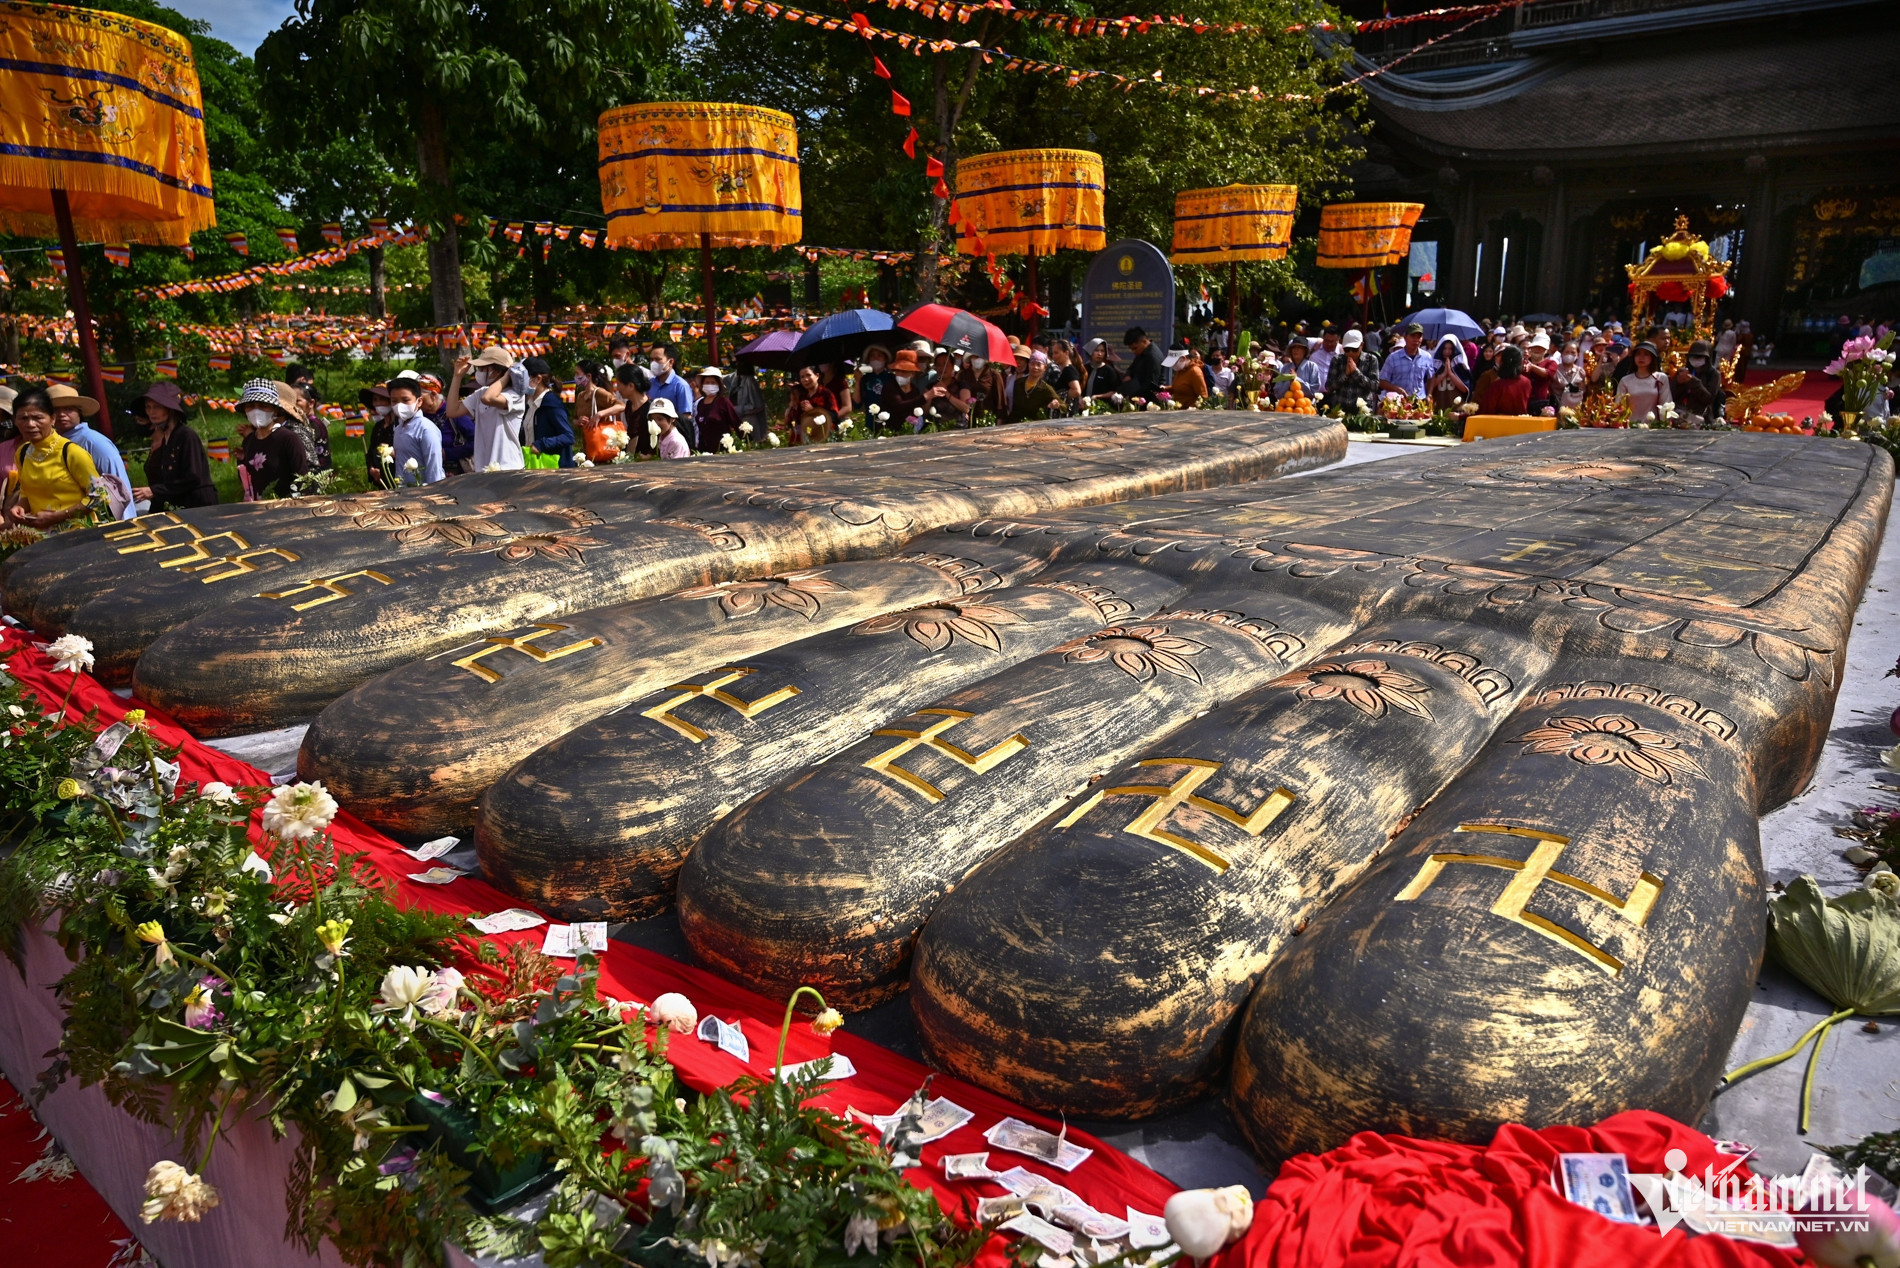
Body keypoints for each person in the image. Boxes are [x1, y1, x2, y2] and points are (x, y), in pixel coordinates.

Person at [3, 387, 101, 528]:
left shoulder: (71, 452)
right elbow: (27, 492)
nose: (30, 424)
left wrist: (59, 516)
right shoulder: (23, 453)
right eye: (23, 418)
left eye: (38, 418)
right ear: (15, 421)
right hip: (42, 540)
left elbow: (100, 497)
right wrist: (20, 506)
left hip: (79, 537)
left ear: (52, 419)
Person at [46, 384, 133, 519]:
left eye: (69, 409)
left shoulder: (94, 442)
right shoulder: (49, 444)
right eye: (55, 410)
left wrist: (126, 523)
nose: (62, 414)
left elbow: (119, 488)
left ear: (79, 412)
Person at [128, 381, 215, 511]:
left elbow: (193, 478)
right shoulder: (167, 439)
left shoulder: (186, 436)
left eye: (157, 407)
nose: (151, 412)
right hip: (179, 508)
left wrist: (154, 491)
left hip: (199, 508)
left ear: (169, 409)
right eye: (148, 407)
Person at [450, 345, 527, 471]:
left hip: (508, 468)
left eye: (482, 368)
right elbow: (452, 411)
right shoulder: (482, 392)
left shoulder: (515, 395)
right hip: (484, 468)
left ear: (496, 371)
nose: (478, 372)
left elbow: (488, 398)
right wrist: (457, 377)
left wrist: (506, 376)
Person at [237, 378, 310, 498]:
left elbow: (303, 480)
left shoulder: (288, 439)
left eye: (263, 405)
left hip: (283, 509)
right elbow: (247, 480)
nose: (256, 410)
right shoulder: (249, 440)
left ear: (275, 410)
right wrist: (241, 459)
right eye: (250, 406)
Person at [387, 374, 445, 484]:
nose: (399, 405)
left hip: (423, 494)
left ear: (419, 401)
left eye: (405, 400)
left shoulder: (426, 429)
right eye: (394, 401)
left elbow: (434, 470)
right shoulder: (399, 428)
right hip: (404, 493)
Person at [571, 359, 627, 464]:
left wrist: (599, 414)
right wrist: (578, 421)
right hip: (587, 448)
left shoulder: (599, 393)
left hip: (604, 446)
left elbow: (621, 406)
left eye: (577, 373)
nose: (575, 377)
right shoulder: (580, 396)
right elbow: (574, 419)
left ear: (588, 376)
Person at [522, 356, 574, 467]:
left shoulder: (552, 404)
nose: (520, 381)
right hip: (533, 465)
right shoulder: (529, 404)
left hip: (555, 469)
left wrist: (542, 444)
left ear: (537, 379)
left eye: (523, 377)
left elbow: (568, 436)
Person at [645, 343, 698, 448]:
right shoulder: (650, 384)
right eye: (651, 360)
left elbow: (685, 418)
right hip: (653, 439)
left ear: (671, 362)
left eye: (658, 359)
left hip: (674, 443)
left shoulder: (681, 385)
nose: (653, 363)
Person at [1669, 339, 1725, 428]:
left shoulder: (1714, 374)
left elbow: (1708, 399)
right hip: (1679, 415)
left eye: (1700, 357)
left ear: (1707, 358)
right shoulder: (1683, 371)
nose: (1695, 360)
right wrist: (1678, 383)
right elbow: (1670, 395)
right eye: (1693, 357)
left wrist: (1693, 382)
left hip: (1700, 418)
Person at [1615, 342, 1672, 425]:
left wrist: (1664, 425)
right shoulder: (1625, 380)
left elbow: (1666, 404)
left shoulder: (1661, 378)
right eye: (1638, 354)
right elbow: (1619, 406)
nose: (1641, 357)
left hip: (1654, 428)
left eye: (1646, 354)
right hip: (1631, 427)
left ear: (1652, 357)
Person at [1377, 323, 1435, 400]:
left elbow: (1431, 377)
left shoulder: (1426, 357)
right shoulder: (1393, 357)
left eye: (1419, 337)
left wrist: (1429, 394)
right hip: (1398, 402)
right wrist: (1396, 389)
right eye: (1413, 336)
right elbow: (1382, 381)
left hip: (1419, 401)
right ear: (1405, 337)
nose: (1416, 340)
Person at [785, 364, 841, 443]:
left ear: (817, 376)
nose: (805, 379)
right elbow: (797, 419)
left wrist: (813, 411)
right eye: (802, 377)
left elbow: (834, 415)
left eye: (808, 375)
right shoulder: (803, 397)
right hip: (807, 437)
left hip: (825, 436)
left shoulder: (826, 394)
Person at [1325, 335, 1378, 412]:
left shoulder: (1371, 360)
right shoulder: (1337, 360)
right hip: (1340, 409)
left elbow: (1374, 386)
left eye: (1354, 349)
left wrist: (1355, 372)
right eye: (1347, 350)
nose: (1350, 353)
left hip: (1362, 412)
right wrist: (1345, 375)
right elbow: (1329, 387)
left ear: (1362, 345)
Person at [693, 366, 742, 451]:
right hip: (704, 450)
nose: (710, 385)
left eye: (713, 383)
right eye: (707, 382)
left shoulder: (723, 402)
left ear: (718, 385)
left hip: (722, 450)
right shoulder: (700, 403)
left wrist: (747, 442)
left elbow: (736, 422)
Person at [1003, 351, 1059, 423]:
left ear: (1044, 367)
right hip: (1014, 423)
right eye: (1032, 364)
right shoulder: (1018, 382)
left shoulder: (1046, 388)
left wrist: (1055, 403)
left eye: (1039, 365)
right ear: (1028, 365)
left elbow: (1062, 405)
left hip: (1034, 425)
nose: (1035, 367)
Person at [1478, 344, 1532, 415]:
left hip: (1499, 423)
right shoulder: (1526, 382)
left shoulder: (1496, 385)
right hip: (1521, 423)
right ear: (1520, 362)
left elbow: (1486, 410)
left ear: (1502, 362)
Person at [884, 348, 930, 430]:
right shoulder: (889, 387)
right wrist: (925, 397)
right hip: (889, 433)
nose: (900, 374)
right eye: (897, 371)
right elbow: (899, 406)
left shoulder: (915, 390)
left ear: (912, 374)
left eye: (904, 371)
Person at [615, 364, 654, 457]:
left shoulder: (651, 409)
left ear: (631, 386)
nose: (617, 388)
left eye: (619, 384)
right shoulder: (629, 406)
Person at [362, 383, 396, 486]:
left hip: (397, 477)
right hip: (380, 479)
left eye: (382, 399)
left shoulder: (399, 425)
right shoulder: (378, 426)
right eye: (375, 400)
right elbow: (371, 451)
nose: (378, 403)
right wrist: (371, 469)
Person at [1122, 327, 1165, 404]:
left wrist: (1132, 397)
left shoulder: (1153, 356)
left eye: (1135, 348)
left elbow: (1151, 384)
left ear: (1144, 341)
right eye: (1131, 349)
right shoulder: (1142, 352)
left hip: (1150, 401)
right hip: (1140, 395)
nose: (1133, 351)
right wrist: (1128, 375)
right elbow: (1132, 367)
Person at [1427, 335, 1469, 411]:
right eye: (1444, 348)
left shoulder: (1459, 366)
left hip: (1456, 409)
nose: (1447, 351)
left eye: (1450, 349)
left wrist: (1450, 373)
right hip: (1438, 407)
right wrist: (1443, 375)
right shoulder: (1435, 366)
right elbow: (1429, 387)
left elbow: (1465, 389)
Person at [855, 345, 896, 423]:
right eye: (872, 355)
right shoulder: (864, 379)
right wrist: (857, 381)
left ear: (885, 359)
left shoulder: (892, 378)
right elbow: (857, 404)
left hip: (889, 421)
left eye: (879, 355)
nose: (875, 358)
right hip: (870, 422)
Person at [724, 362, 768, 432]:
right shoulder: (737, 377)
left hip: (749, 422)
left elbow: (758, 406)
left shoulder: (750, 381)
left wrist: (738, 409)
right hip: (738, 419)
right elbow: (724, 378)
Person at [1521, 333, 1557, 415]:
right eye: (1535, 347)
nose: (1537, 349)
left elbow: (1547, 373)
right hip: (1523, 402)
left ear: (1546, 350)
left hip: (1541, 403)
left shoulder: (1551, 363)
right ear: (1531, 348)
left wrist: (1532, 366)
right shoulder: (1523, 362)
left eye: (1541, 348)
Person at [1048, 340, 1085, 414]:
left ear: (1066, 353)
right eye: (1053, 353)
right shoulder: (1065, 370)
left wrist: (1058, 398)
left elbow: (1076, 391)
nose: (1053, 356)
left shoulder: (1069, 370)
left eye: (1056, 353)